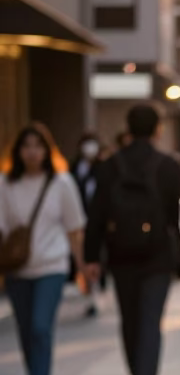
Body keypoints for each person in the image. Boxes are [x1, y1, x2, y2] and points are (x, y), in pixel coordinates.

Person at [84, 104, 180, 375]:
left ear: (127, 129)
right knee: (150, 322)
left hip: (120, 255)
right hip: (157, 257)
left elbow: (96, 215)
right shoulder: (167, 165)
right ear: (157, 129)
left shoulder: (110, 166)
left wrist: (91, 257)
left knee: (129, 321)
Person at [0, 122, 87, 375]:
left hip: (52, 267)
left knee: (40, 326)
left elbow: (74, 229)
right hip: (17, 269)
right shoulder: (5, 183)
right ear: (17, 151)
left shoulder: (61, 183)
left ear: (48, 150)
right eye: (26, 146)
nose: (32, 152)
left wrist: (81, 267)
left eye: (38, 146)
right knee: (26, 331)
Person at [70, 132, 103, 316]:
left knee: (95, 258)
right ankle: (89, 291)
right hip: (78, 220)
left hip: (97, 222)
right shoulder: (75, 168)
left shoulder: (103, 167)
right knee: (83, 258)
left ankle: (95, 292)